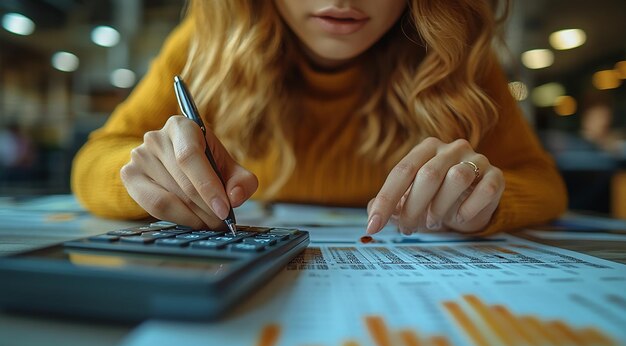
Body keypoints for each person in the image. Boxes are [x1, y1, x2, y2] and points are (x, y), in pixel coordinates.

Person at [71, 0, 567, 236]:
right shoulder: (211, 40)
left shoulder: (456, 52)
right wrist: (144, 177)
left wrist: (484, 197)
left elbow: (543, 183)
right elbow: (95, 159)